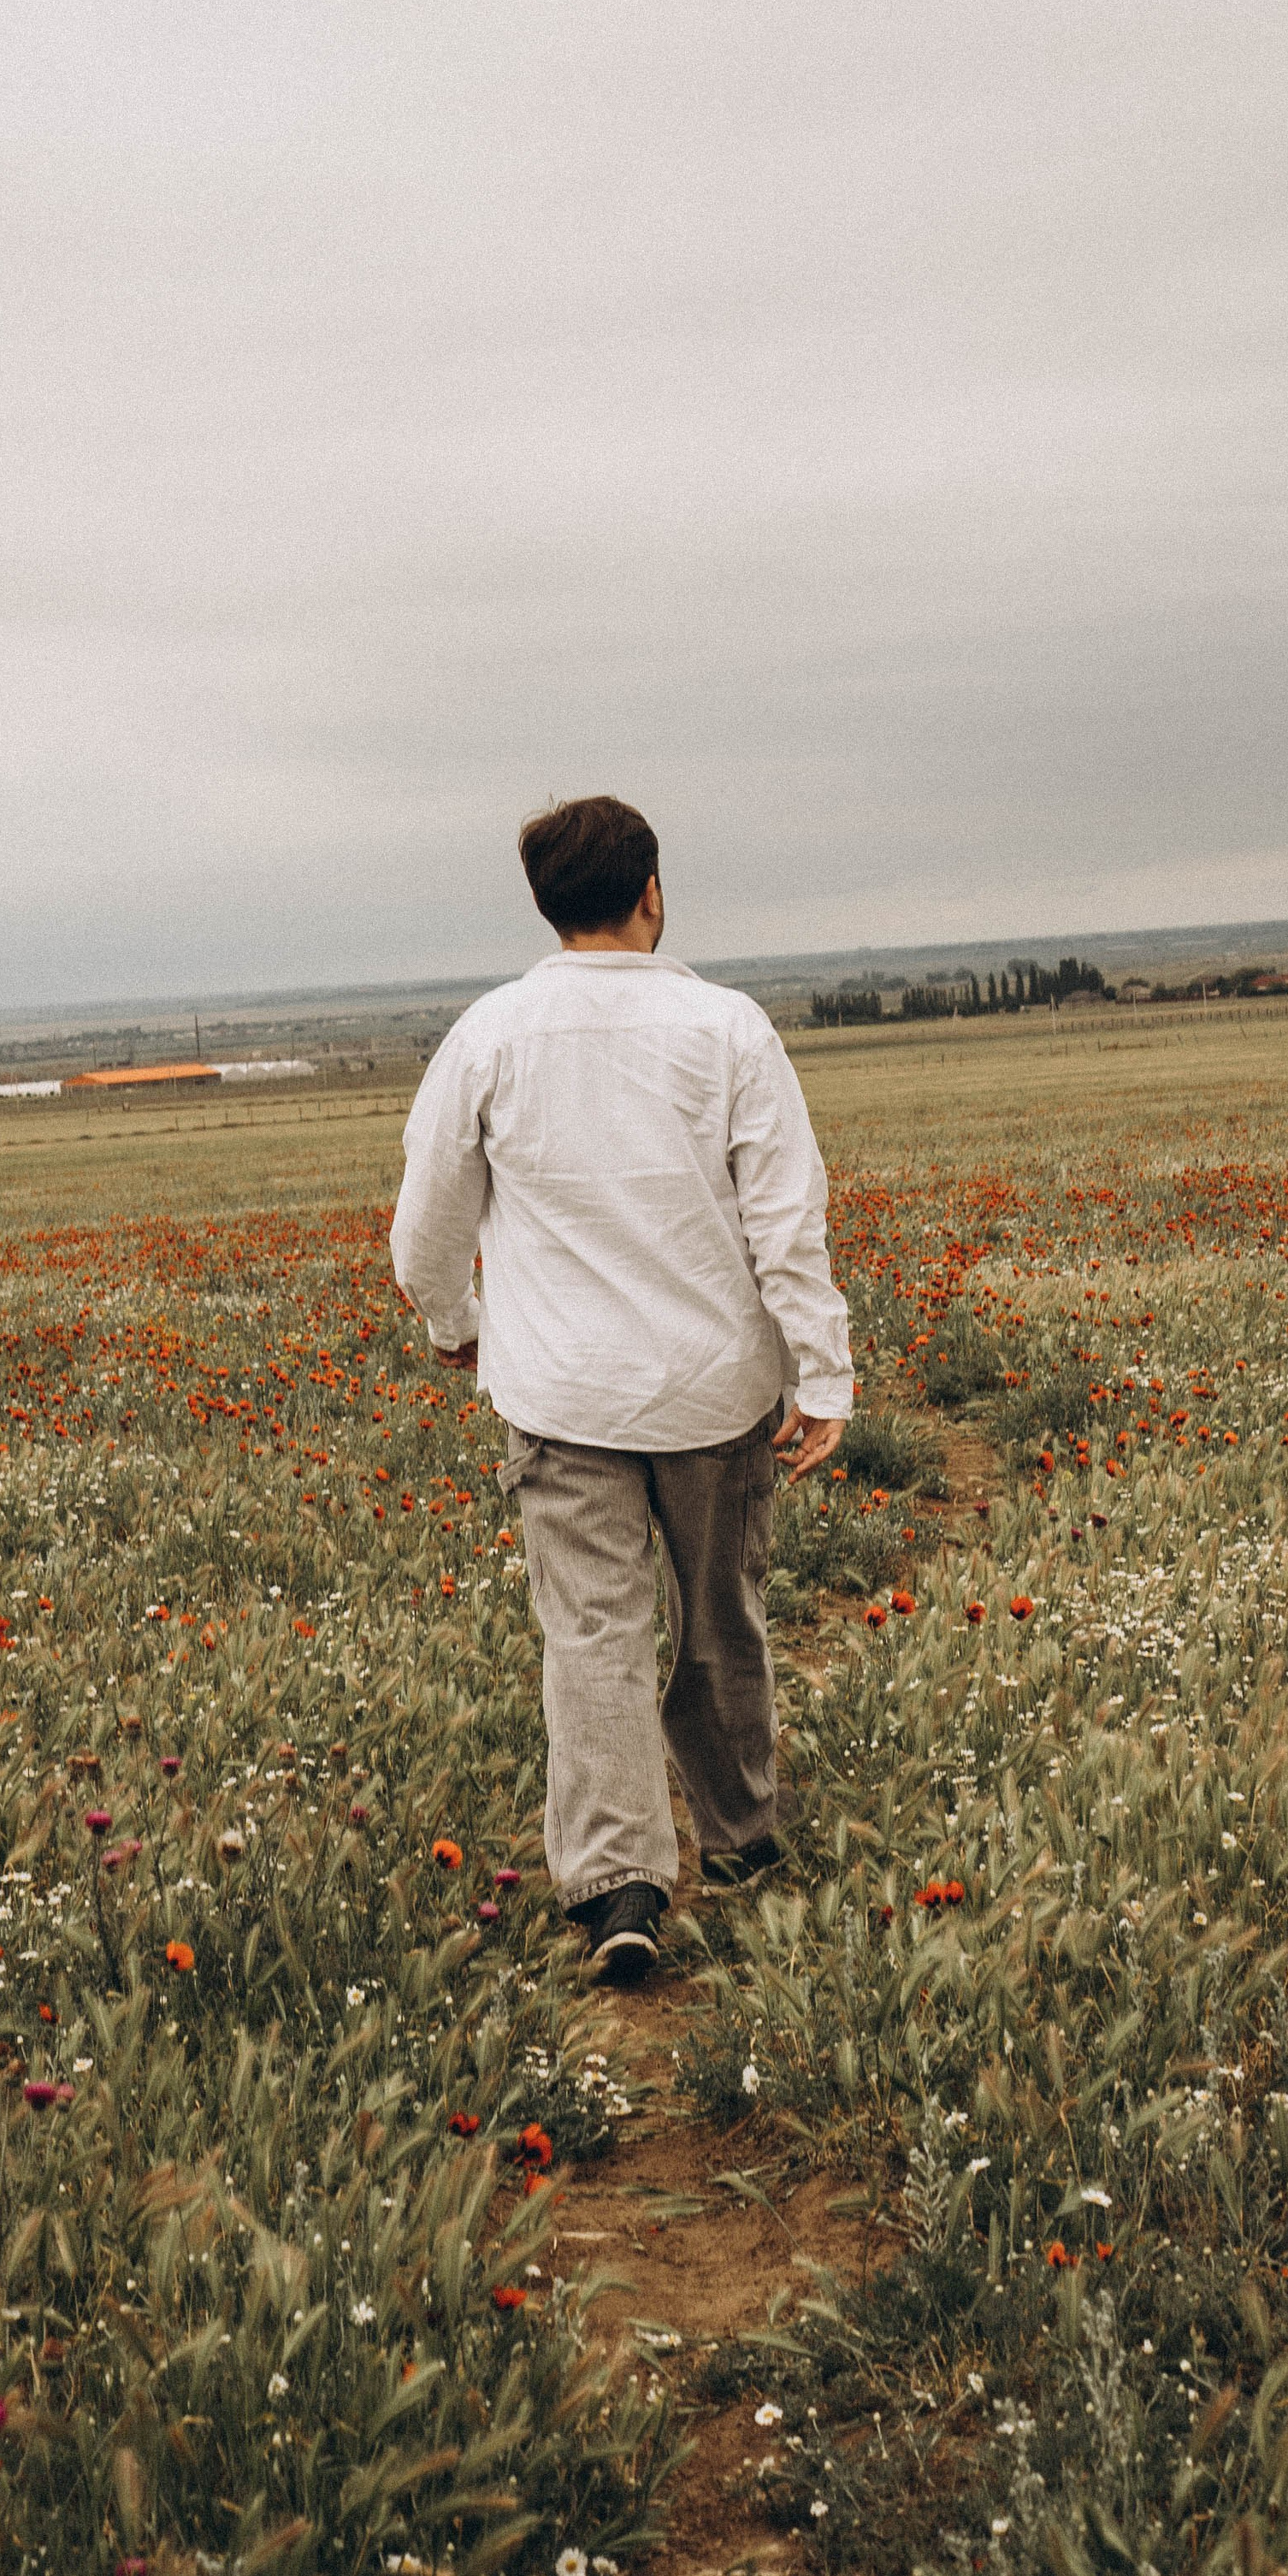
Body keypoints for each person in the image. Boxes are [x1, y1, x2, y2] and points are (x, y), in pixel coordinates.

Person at [390, 795, 852, 1984]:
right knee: (719, 1613)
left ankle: (618, 1888)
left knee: (590, 1635)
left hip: (560, 1394)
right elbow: (785, 1219)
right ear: (652, 890)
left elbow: (426, 1216)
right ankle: (743, 1838)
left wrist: (457, 1324)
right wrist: (823, 1370)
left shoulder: (490, 1035)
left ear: (547, 904)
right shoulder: (730, 1028)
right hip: (712, 1388)